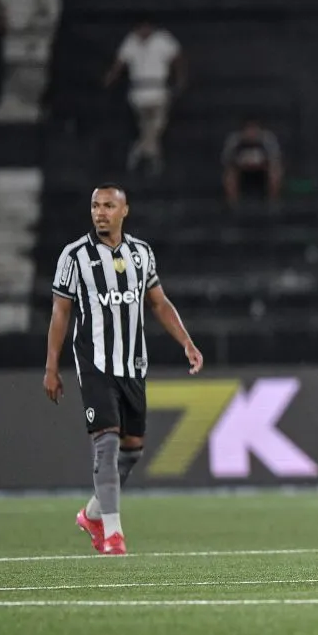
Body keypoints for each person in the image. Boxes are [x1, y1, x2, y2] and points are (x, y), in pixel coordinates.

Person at [44, 184, 203, 555]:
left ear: (124, 211)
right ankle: (113, 535)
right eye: (96, 205)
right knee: (107, 442)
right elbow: (60, 313)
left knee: (133, 448)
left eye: (108, 206)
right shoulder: (74, 256)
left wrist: (187, 342)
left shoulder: (141, 254)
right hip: (96, 364)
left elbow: (160, 303)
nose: (100, 212)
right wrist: (51, 367)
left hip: (133, 365)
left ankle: (92, 514)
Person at [104, 20, 186, 175]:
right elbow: (119, 64)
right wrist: (109, 79)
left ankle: (138, 153)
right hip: (138, 95)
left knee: (155, 127)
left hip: (158, 93)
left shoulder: (163, 40)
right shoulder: (130, 41)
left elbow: (177, 58)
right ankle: (152, 159)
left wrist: (180, 79)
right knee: (148, 130)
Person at [221, 118, 284, 207]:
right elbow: (227, 159)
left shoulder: (267, 139)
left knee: (276, 172)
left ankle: (273, 202)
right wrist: (242, 164)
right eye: (249, 129)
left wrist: (262, 164)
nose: (251, 133)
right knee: (229, 174)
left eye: (254, 129)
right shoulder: (235, 140)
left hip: (262, 170)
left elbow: (275, 158)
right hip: (242, 171)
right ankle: (232, 204)